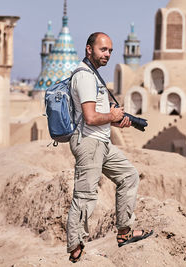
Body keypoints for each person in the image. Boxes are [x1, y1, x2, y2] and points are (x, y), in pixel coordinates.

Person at [67, 32, 153, 263]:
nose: (107, 54)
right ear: (89, 50)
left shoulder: (94, 76)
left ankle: (124, 232)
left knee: (129, 176)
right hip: (89, 141)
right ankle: (76, 247)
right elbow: (90, 117)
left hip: (102, 141)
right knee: (85, 196)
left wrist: (116, 120)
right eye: (103, 50)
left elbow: (99, 117)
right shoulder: (85, 77)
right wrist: (111, 115)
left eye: (110, 51)